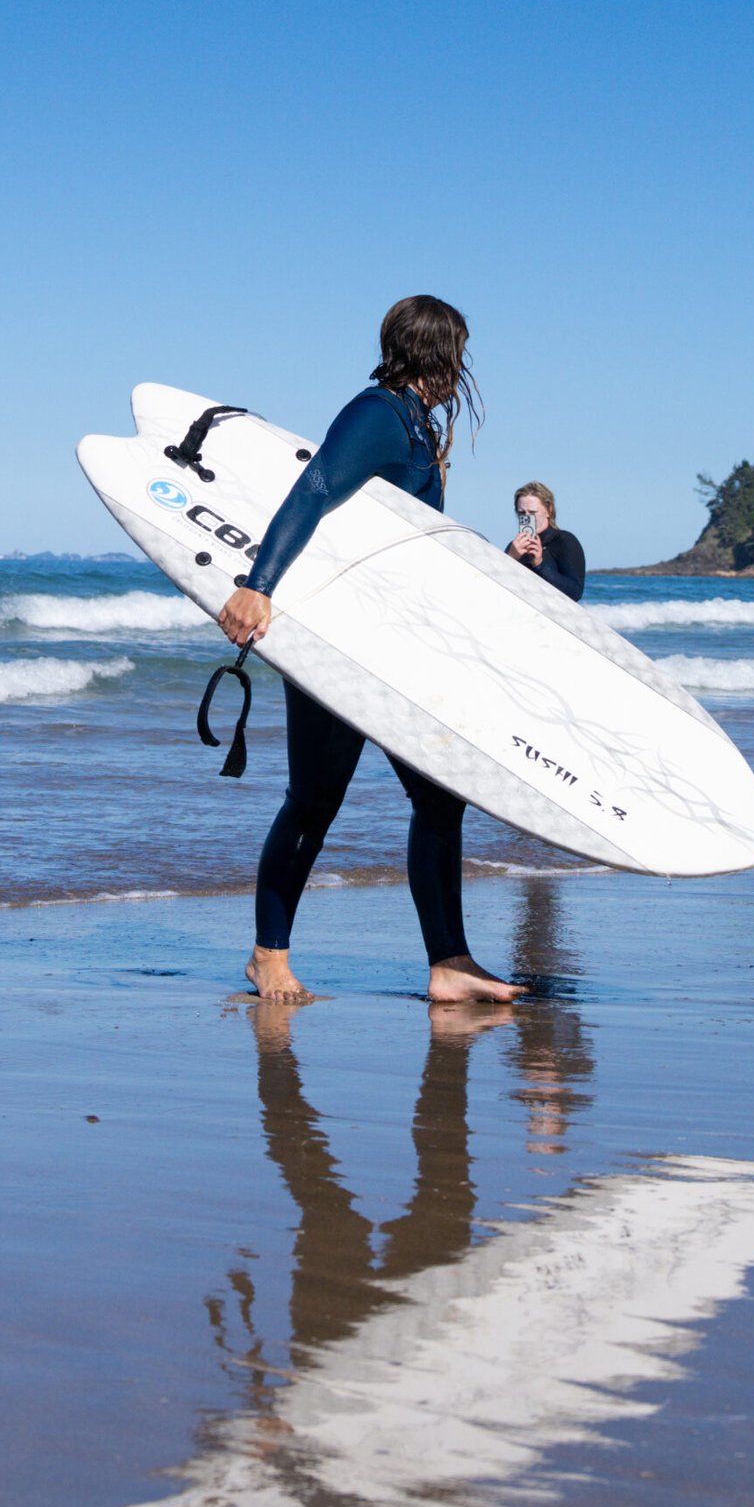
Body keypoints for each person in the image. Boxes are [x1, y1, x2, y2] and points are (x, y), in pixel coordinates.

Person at [216, 296, 517, 1009]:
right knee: (315, 801)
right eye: (457, 354)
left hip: (392, 648)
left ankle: (450, 962)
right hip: (339, 645)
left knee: (440, 797)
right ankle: (267, 956)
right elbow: (314, 487)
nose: (462, 369)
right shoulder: (377, 415)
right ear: (436, 354)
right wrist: (258, 585)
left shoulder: (415, 424)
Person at [505, 480, 586, 602]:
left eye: (532, 512)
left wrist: (539, 565)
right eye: (521, 512)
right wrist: (509, 558)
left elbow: (575, 592)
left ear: (549, 510)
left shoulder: (564, 541)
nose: (527, 517)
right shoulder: (514, 547)